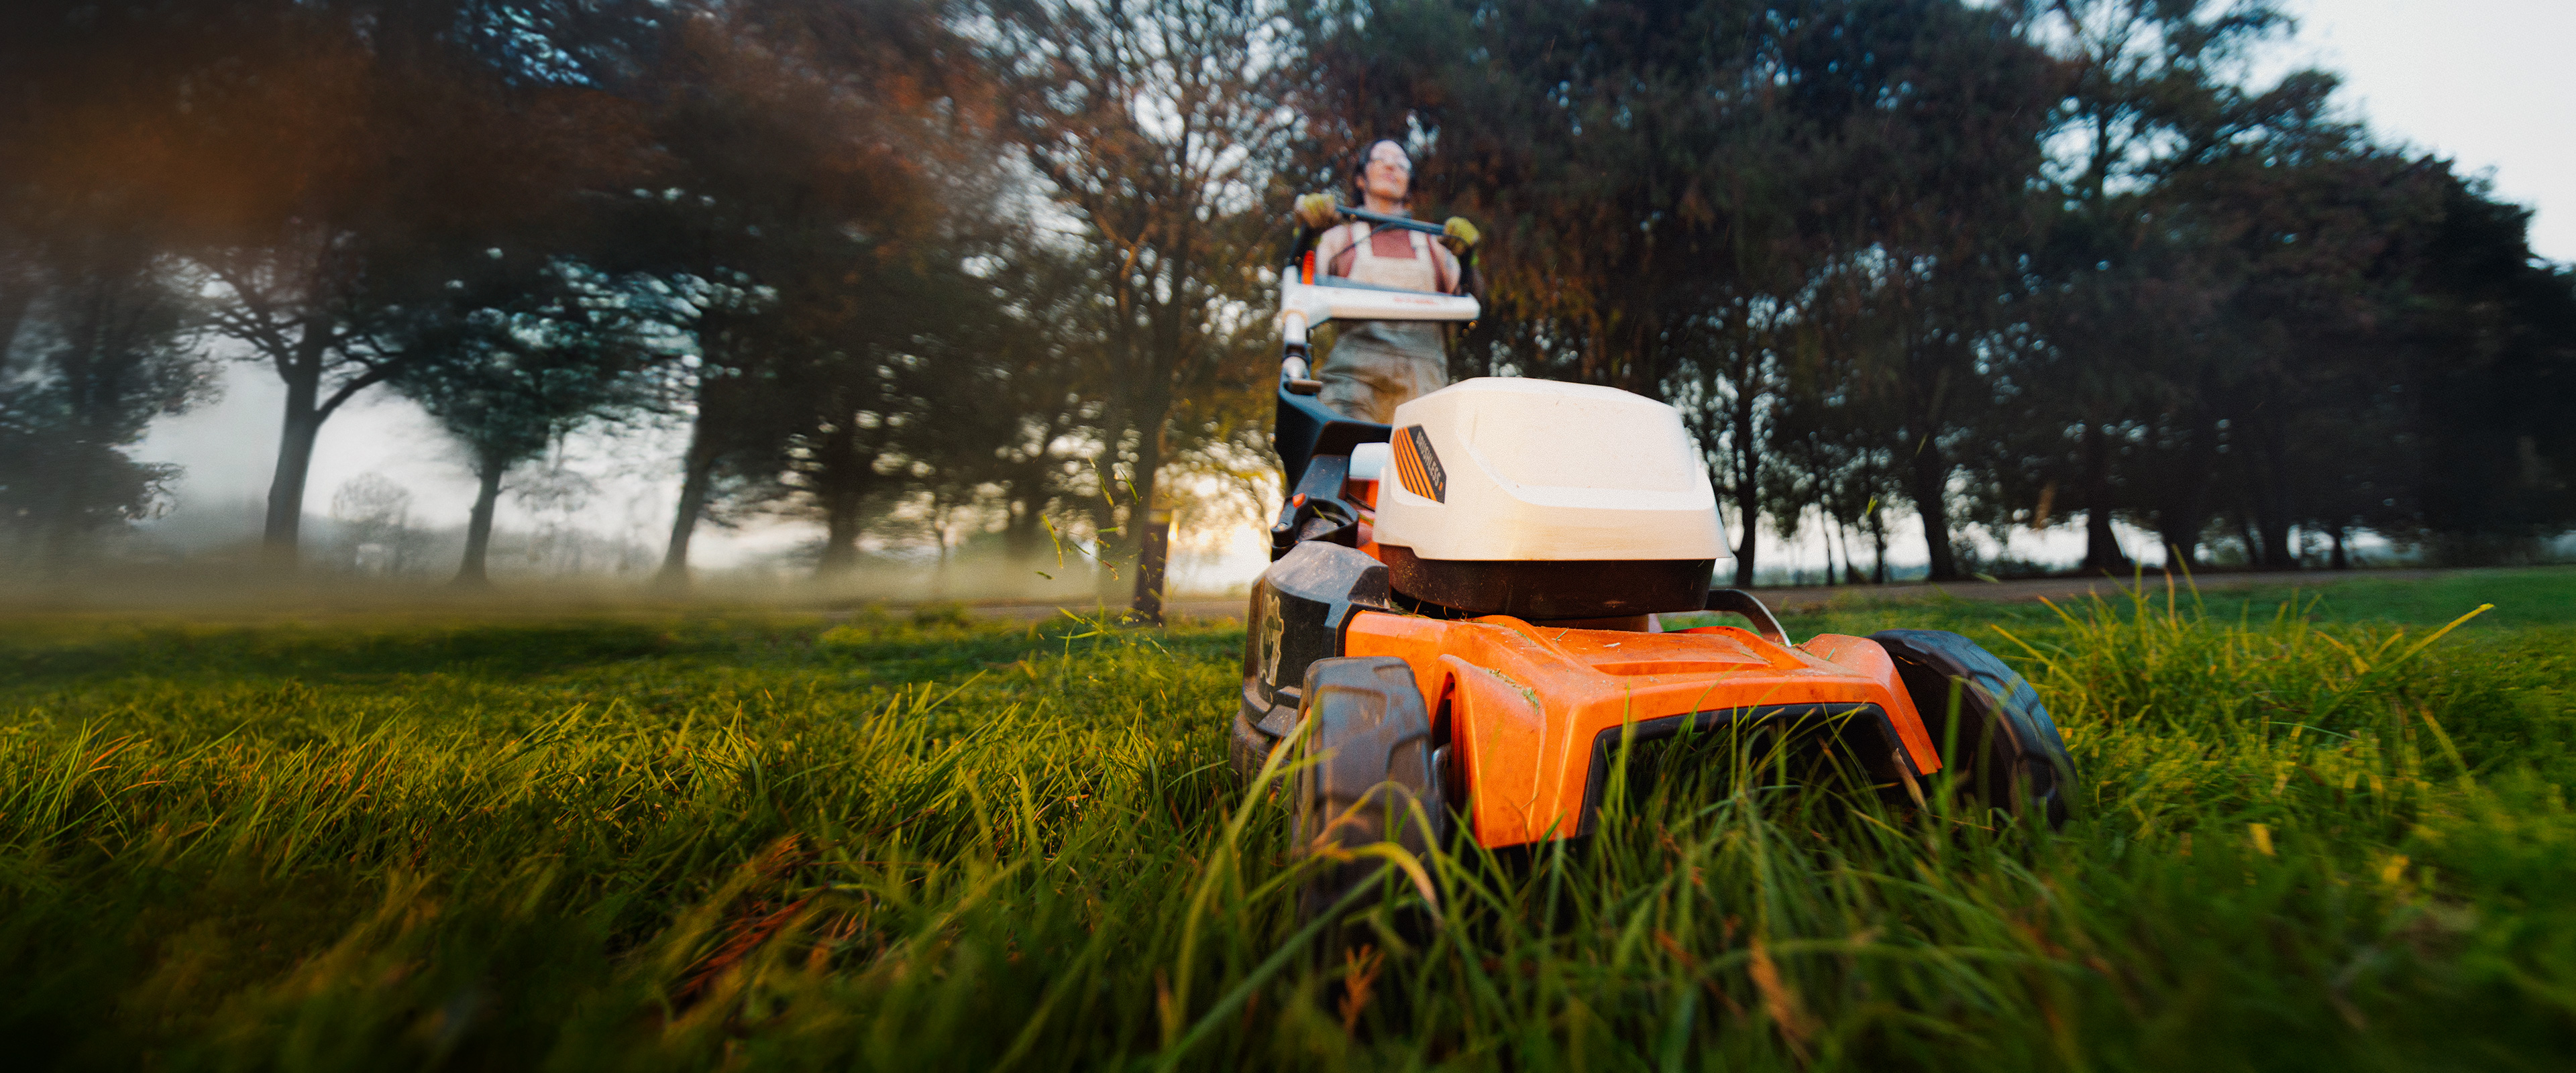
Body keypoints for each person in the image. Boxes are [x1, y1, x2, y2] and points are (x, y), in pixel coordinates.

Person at [1291, 139, 1483, 424]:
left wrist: (1469, 260)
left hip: (1424, 387)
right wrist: (1307, 234)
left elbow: (1474, 302)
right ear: (1360, 178)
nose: (1392, 165)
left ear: (1409, 183)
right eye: (1381, 159)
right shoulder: (1339, 239)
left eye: (1402, 162)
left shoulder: (1436, 246)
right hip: (1352, 382)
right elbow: (1299, 289)